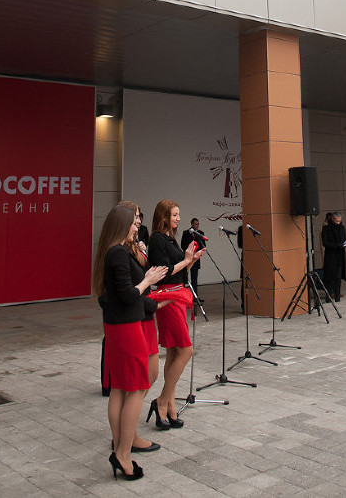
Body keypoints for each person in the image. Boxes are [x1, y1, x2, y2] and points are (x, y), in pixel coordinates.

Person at [91, 204, 167, 481]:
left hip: (119, 326)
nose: (137, 225)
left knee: (120, 389)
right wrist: (148, 280)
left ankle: (122, 447)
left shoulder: (116, 251)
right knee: (136, 387)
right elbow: (127, 294)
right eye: (134, 221)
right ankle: (123, 453)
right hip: (126, 327)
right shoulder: (118, 253)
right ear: (122, 224)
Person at [146, 200, 204, 430]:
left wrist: (191, 261)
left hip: (177, 294)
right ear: (164, 217)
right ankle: (162, 401)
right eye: (174, 215)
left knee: (174, 352)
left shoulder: (169, 239)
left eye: (178, 215)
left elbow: (178, 272)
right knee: (185, 350)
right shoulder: (157, 239)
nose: (178, 218)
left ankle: (169, 405)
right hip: (168, 298)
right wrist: (186, 260)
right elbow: (165, 272)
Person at [320, 211, 346, 302]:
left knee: (338, 277)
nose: (338, 223)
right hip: (331, 255)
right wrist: (336, 246)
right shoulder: (326, 228)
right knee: (330, 276)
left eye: (339, 221)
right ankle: (328, 297)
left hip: (340, 255)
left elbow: (344, 239)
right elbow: (325, 242)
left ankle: (337, 296)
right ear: (332, 219)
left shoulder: (342, 228)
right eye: (336, 221)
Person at [180, 217, 206, 295]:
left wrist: (197, 252)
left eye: (198, 224)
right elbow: (183, 245)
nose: (197, 226)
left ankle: (195, 296)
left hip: (196, 259)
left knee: (194, 279)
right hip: (187, 257)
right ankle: (183, 295)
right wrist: (190, 251)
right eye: (195, 224)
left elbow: (203, 245)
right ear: (192, 224)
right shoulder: (186, 233)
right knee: (184, 277)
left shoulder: (200, 233)